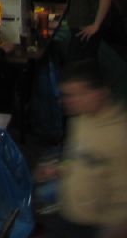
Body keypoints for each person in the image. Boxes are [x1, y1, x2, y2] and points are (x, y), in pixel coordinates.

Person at [37, 61, 127, 238]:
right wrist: (59, 168)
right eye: (65, 95)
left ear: (99, 93)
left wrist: (116, 228)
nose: (65, 101)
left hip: (98, 228)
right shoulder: (79, 120)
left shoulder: (120, 134)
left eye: (74, 95)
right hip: (68, 215)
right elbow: (76, 157)